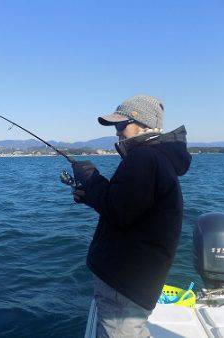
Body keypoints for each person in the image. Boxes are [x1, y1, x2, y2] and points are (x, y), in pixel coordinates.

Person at [72, 95, 192, 337]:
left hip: (124, 282)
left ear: (144, 124)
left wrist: (91, 179)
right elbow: (129, 206)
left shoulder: (143, 157)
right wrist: (89, 194)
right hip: (138, 278)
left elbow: (119, 209)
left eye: (120, 125)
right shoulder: (158, 157)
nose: (116, 133)